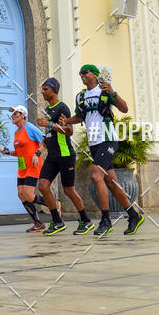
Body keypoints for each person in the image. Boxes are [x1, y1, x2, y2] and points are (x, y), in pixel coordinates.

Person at [62, 64, 144, 238]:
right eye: (80, 72)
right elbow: (80, 117)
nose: (82, 75)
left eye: (85, 72)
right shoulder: (81, 96)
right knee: (112, 182)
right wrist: (67, 120)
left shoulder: (105, 92)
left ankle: (105, 220)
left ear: (95, 74)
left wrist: (113, 92)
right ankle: (134, 215)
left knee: (95, 175)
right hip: (94, 142)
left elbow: (124, 108)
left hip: (108, 139)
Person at [36, 78, 94, 236]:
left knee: (68, 190)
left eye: (46, 89)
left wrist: (50, 125)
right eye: (42, 89)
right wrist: (41, 148)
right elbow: (50, 134)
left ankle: (86, 220)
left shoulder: (63, 108)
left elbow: (68, 131)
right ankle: (57, 221)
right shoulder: (48, 110)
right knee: (43, 186)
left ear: (54, 90)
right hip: (52, 156)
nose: (42, 92)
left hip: (65, 154)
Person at [0, 105, 46, 232]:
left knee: (29, 195)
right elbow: (20, 152)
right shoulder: (16, 133)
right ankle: (38, 223)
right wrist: (8, 152)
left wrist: (37, 154)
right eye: (12, 114)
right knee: (21, 195)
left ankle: (52, 203)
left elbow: (45, 140)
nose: (13, 116)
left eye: (15, 113)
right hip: (22, 167)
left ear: (23, 115)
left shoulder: (29, 127)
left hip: (33, 165)